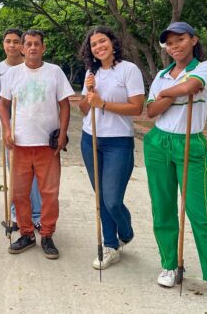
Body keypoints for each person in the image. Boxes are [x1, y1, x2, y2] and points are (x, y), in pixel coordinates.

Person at [144, 22, 207, 308]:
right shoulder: (161, 75)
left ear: (193, 40)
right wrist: (173, 93)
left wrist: (167, 94)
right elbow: (151, 111)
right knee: (162, 208)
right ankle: (170, 265)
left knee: (201, 213)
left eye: (180, 40)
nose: (175, 46)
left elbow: (192, 86)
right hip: (158, 143)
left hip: (190, 141)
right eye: (170, 43)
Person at [0, 29, 74, 259]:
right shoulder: (12, 74)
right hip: (19, 144)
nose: (32, 47)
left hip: (47, 145)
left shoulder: (55, 72)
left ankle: (47, 234)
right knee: (19, 193)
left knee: (49, 193)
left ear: (43, 47)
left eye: (36, 44)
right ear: (22, 48)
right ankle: (26, 233)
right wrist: (7, 130)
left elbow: (65, 105)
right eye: (28, 44)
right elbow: (3, 104)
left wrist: (63, 133)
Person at [78, 26, 145, 270]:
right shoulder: (91, 72)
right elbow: (83, 109)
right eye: (94, 44)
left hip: (118, 142)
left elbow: (137, 107)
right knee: (101, 198)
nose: (99, 46)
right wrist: (89, 92)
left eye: (102, 41)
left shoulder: (129, 70)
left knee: (113, 200)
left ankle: (125, 232)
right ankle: (110, 245)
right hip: (90, 139)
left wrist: (103, 103)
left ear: (112, 42)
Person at [0, 28, 42, 232]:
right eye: (8, 41)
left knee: (34, 176)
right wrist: (3, 105)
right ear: (3, 45)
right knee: (16, 175)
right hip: (10, 130)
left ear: (22, 45)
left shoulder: (32, 67)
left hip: (33, 130)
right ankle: (15, 214)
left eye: (16, 41)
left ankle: (36, 215)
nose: (12, 45)